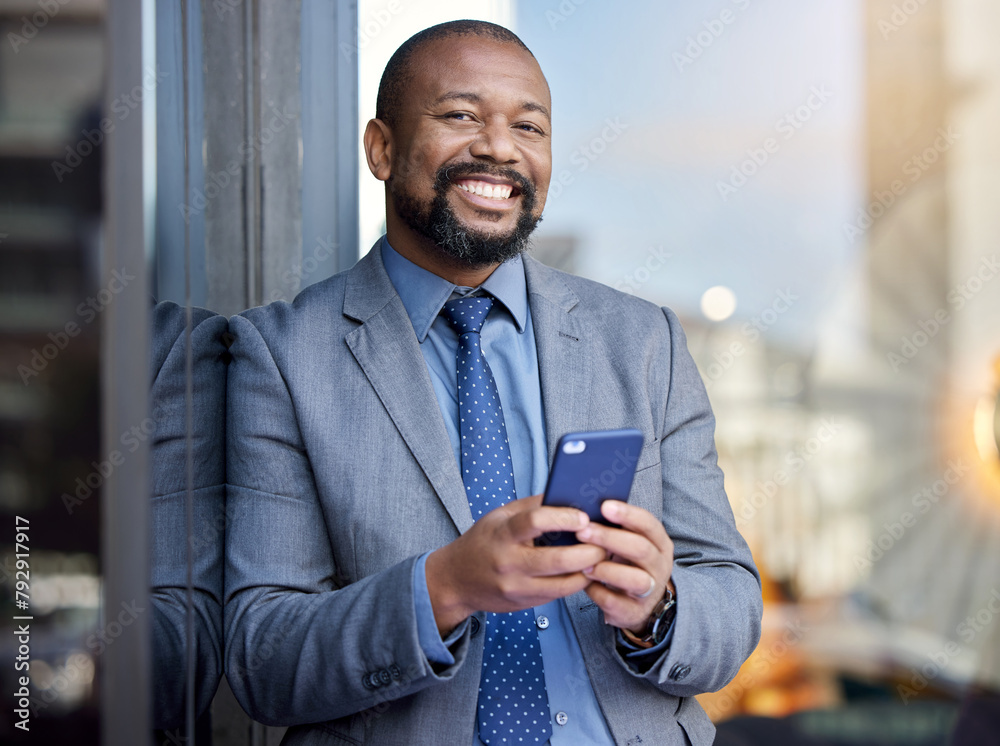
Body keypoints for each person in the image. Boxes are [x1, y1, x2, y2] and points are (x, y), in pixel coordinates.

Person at [225, 20, 761, 745]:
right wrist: (443, 587)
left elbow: (730, 596)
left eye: (529, 127)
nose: (501, 148)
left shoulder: (643, 343)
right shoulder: (281, 356)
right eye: (461, 116)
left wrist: (658, 607)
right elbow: (263, 659)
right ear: (381, 148)